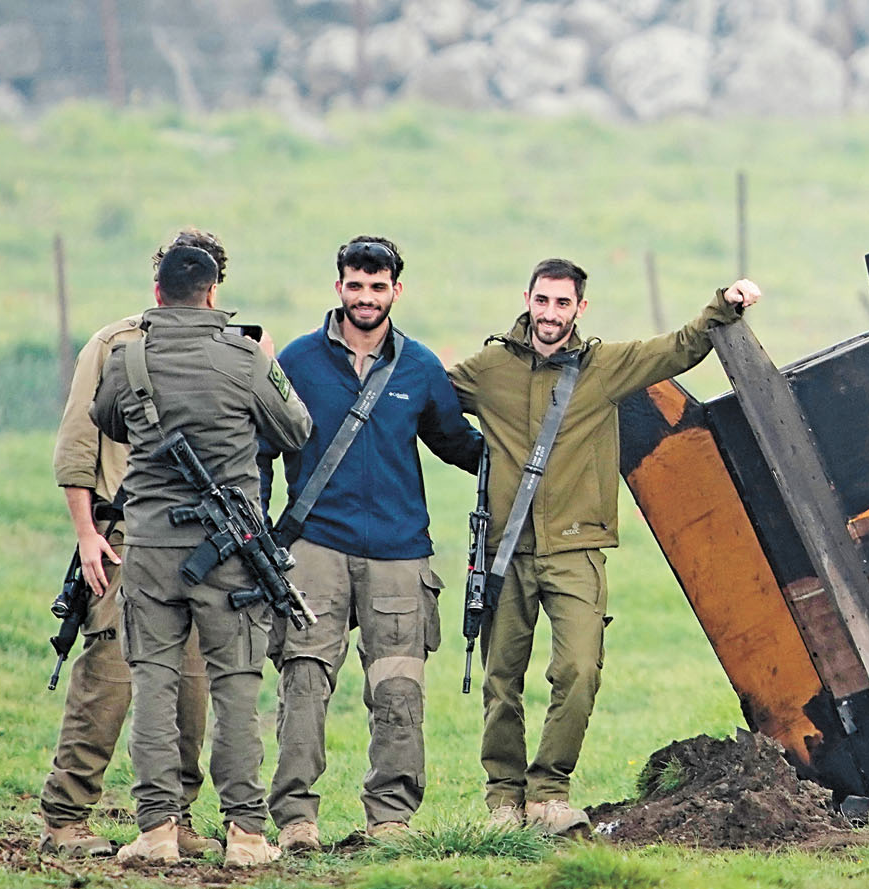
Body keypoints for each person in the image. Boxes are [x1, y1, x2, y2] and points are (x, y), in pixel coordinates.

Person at [450, 258, 762, 836]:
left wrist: (726, 305)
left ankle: (548, 791)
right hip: (505, 548)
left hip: (575, 548)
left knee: (579, 668)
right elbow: (430, 401)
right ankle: (502, 800)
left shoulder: (605, 367)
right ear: (527, 299)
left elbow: (678, 348)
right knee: (501, 678)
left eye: (562, 304)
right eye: (542, 301)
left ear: (579, 309)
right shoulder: (490, 368)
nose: (550, 314)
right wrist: (475, 453)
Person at [93, 243, 312, 866]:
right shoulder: (244, 357)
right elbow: (295, 428)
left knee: (154, 683)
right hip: (231, 554)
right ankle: (244, 834)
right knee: (237, 687)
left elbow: (108, 421)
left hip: (151, 550)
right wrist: (265, 365)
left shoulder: (126, 358)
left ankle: (157, 829)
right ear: (213, 293)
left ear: (157, 292)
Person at [262, 237, 482, 850]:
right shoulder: (299, 362)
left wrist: (526, 459)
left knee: (398, 687)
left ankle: (390, 818)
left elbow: (458, 444)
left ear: (396, 290)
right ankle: (297, 819)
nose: (366, 298)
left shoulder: (420, 366)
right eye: (355, 286)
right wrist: (256, 524)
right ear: (339, 286)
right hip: (315, 544)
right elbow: (263, 446)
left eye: (377, 287)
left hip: (399, 549)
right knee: (304, 681)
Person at [39, 229, 227, 860]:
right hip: (124, 535)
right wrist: (87, 535)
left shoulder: (234, 348)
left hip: (204, 541)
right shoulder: (117, 343)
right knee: (110, 674)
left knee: (193, 684)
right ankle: (66, 815)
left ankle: (175, 817)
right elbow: (77, 445)